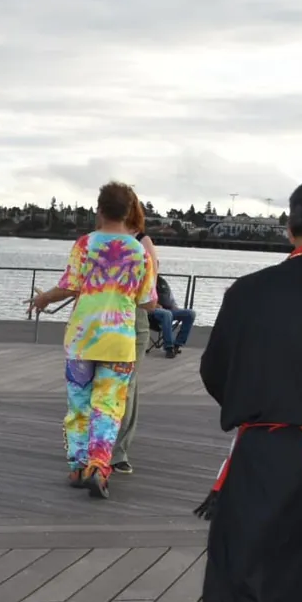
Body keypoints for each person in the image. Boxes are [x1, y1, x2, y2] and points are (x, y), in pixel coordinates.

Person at [184, 178, 302, 602]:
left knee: (240, 571)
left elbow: (217, 371)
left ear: (290, 226)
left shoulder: (251, 292)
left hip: (271, 448)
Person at [26, 182, 156, 498]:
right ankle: (99, 467)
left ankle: (77, 466)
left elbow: (70, 286)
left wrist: (44, 299)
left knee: (79, 404)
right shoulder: (140, 251)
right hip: (120, 340)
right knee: (109, 407)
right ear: (129, 211)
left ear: (98, 209)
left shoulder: (85, 244)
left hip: (83, 339)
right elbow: (149, 302)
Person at [112, 194, 162, 474]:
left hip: (133, 317)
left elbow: (150, 286)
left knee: (128, 386)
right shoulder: (101, 239)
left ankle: (118, 452)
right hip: (110, 319)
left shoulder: (142, 242)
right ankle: (98, 446)